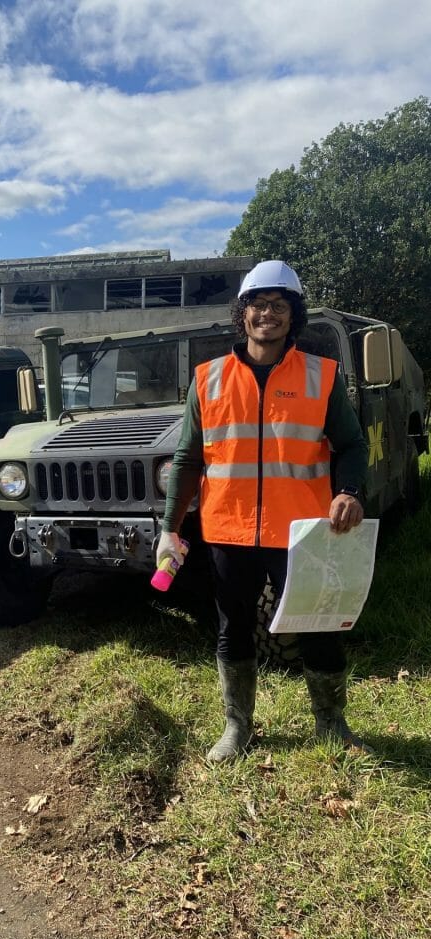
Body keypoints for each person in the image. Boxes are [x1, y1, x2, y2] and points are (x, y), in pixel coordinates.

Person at [157, 259, 371, 763]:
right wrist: (169, 529)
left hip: (304, 529)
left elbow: (352, 446)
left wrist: (351, 491)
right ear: (243, 313)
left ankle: (331, 723)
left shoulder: (321, 377)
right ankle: (238, 727)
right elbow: (189, 459)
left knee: (318, 625)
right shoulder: (208, 380)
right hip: (229, 529)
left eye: (279, 305)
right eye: (258, 304)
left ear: (292, 315)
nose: (267, 314)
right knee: (233, 626)